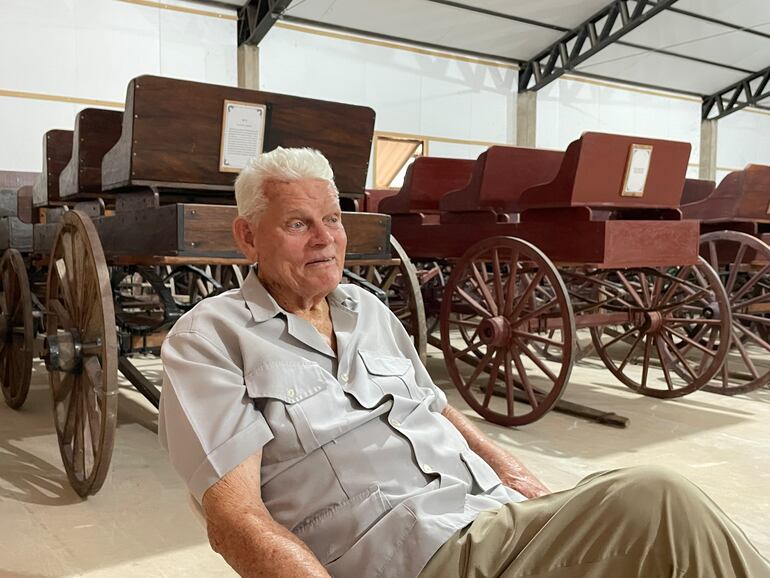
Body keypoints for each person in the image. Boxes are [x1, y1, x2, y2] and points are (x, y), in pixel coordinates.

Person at [159, 147, 770, 578]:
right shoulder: (211, 339)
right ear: (247, 238)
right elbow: (235, 517)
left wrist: (523, 484)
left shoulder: (369, 312)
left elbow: (439, 409)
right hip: (425, 557)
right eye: (298, 224)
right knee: (659, 500)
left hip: (492, 522)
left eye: (334, 219)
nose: (325, 238)